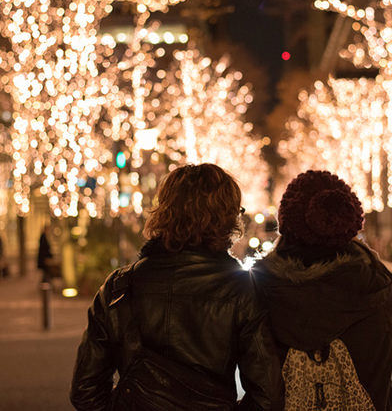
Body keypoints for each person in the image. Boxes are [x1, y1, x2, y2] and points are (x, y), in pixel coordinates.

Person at [70, 163, 283, 410]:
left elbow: (85, 391)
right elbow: (268, 397)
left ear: (164, 212)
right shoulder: (242, 289)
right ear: (227, 219)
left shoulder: (120, 287)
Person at [252, 170, 392, 411]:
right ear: (347, 223)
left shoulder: (260, 286)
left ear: (286, 224)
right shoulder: (374, 285)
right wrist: (368, 258)